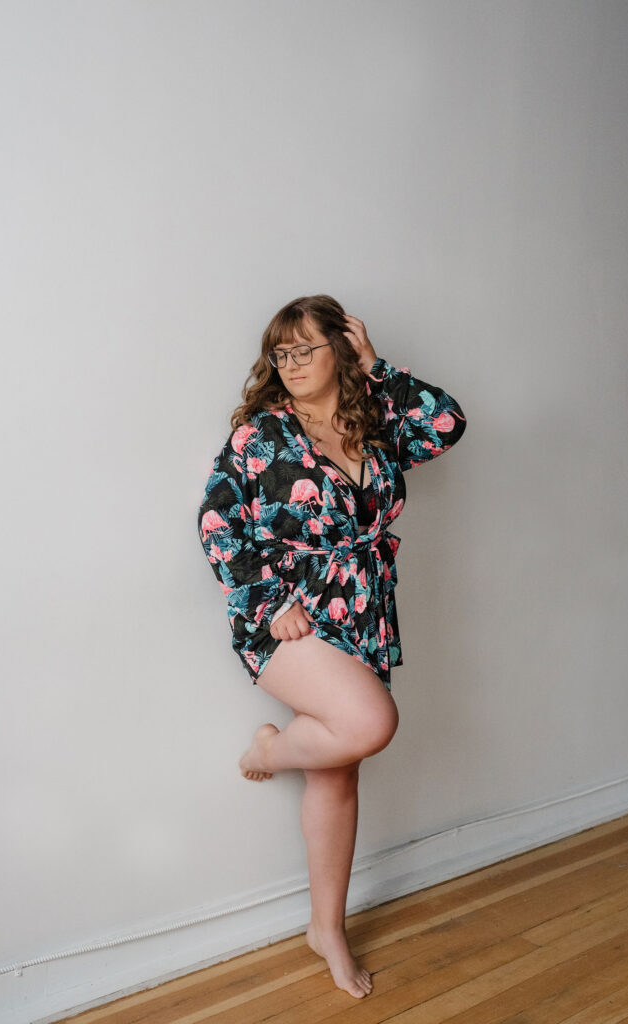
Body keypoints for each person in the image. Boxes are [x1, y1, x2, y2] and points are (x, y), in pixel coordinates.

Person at [197, 294, 466, 998]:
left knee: (340, 769)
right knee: (368, 725)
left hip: (366, 611)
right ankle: (270, 750)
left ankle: (327, 927)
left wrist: (377, 367)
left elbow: (446, 423)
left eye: (304, 348)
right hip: (289, 618)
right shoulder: (262, 435)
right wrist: (272, 602)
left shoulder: (373, 422)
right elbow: (217, 524)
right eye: (278, 353)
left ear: (340, 347)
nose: (288, 364)